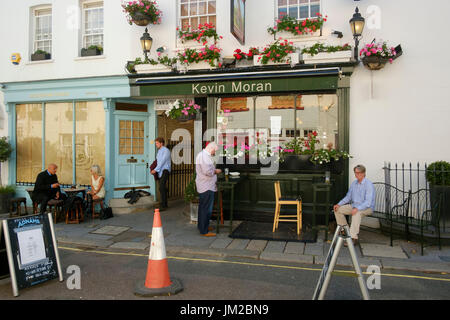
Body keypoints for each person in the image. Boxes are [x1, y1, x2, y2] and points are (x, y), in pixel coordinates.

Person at [333, 164, 375, 246]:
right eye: (355, 173)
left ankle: (353, 238)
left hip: (367, 208)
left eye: (359, 173)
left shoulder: (368, 184)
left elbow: (368, 202)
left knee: (356, 213)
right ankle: (346, 231)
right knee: (338, 210)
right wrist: (339, 204)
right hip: (354, 205)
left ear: (363, 173)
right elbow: (348, 197)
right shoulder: (354, 183)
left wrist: (357, 208)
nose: (357, 175)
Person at [195, 141, 222, 237]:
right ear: (211, 148)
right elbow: (208, 172)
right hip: (206, 186)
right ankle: (204, 230)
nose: (215, 153)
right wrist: (216, 171)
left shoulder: (203, 155)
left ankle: (202, 226)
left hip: (206, 185)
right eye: (215, 151)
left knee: (203, 207)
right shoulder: (204, 156)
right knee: (206, 208)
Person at [151, 137, 171, 211]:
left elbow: (162, 161)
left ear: (161, 143)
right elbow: (158, 162)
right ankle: (163, 202)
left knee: (161, 187)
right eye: (155, 143)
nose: (156, 144)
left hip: (165, 170)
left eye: (157, 143)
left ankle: (164, 205)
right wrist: (153, 168)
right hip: (160, 171)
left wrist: (155, 170)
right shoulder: (159, 151)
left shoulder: (166, 151)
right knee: (162, 187)